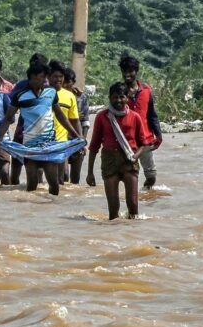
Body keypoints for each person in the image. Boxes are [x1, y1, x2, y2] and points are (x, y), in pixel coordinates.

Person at [0, 61, 80, 196]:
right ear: (32, 78)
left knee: (54, 183)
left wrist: (75, 134)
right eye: (41, 77)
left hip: (49, 145)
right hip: (30, 146)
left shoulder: (51, 93)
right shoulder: (20, 96)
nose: (44, 80)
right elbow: (8, 118)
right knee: (32, 184)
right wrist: (0, 137)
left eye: (45, 77)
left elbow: (60, 116)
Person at [87, 82, 147, 220]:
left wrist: (135, 156)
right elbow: (94, 146)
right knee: (113, 210)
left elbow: (143, 144)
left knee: (133, 206)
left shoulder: (134, 117)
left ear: (127, 98)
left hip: (129, 160)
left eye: (122, 97)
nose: (118, 100)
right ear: (109, 97)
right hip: (109, 160)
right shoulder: (102, 117)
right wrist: (90, 173)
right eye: (115, 97)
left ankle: (132, 234)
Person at [120, 54, 163, 190]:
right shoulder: (119, 92)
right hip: (125, 140)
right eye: (125, 71)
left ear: (136, 71)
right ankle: (132, 200)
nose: (128, 74)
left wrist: (159, 135)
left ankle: (144, 195)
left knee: (151, 176)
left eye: (131, 71)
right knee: (130, 175)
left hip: (145, 140)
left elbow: (152, 115)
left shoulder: (146, 91)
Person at [7, 53, 49, 185]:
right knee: (16, 162)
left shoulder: (49, 87)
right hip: (22, 127)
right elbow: (9, 104)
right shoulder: (23, 85)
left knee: (40, 168)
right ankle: (14, 187)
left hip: (42, 131)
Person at [49, 60, 83, 183]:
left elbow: (75, 121)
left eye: (61, 77)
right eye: (55, 77)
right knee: (41, 180)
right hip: (43, 143)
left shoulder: (70, 96)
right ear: (48, 77)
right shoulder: (42, 93)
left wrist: (80, 139)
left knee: (62, 178)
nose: (58, 80)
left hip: (62, 143)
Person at [68, 68, 90, 184]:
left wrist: (83, 142)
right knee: (63, 177)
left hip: (77, 141)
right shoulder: (56, 97)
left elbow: (85, 122)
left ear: (73, 82)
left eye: (69, 81)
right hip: (62, 142)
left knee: (75, 181)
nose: (66, 84)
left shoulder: (82, 98)